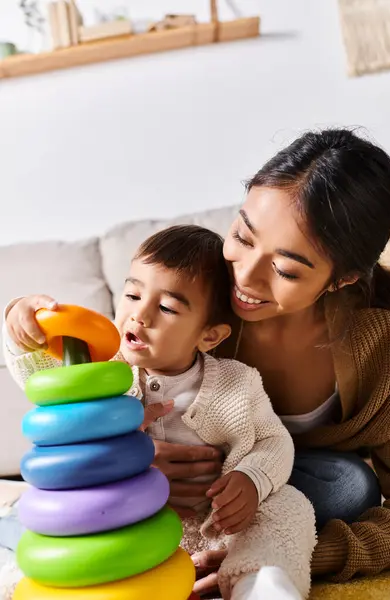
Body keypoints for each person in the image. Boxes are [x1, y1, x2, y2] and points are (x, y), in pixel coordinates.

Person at [138, 128, 390, 597]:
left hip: (283, 494)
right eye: (241, 235)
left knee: (350, 486)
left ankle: (248, 564)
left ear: (342, 279)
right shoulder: (194, 297)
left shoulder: (385, 348)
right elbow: (101, 370)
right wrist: (133, 461)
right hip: (180, 492)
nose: (246, 276)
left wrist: (307, 551)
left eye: (285, 270)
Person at [3, 226, 316, 600]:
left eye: (167, 307)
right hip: (124, 520)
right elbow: (45, 380)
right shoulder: (102, 370)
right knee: (42, 525)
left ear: (210, 336)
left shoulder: (237, 383)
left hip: (211, 524)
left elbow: (272, 439)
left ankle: (260, 583)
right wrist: (20, 329)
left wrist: (252, 479)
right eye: (132, 294)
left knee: (289, 507)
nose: (140, 315)